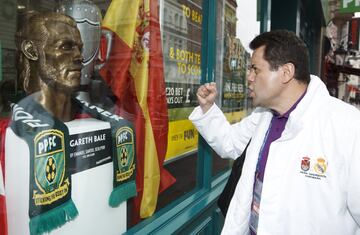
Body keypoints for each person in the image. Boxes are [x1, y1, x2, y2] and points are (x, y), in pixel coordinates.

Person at [189, 30, 360, 234]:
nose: (249, 77)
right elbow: (230, 143)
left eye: (255, 69)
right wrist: (208, 108)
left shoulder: (347, 126)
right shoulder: (263, 117)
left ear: (286, 73)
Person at [15, 11, 83, 122]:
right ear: (31, 51)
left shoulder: (90, 115)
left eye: (80, 49)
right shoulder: (7, 128)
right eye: (66, 46)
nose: (79, 56)